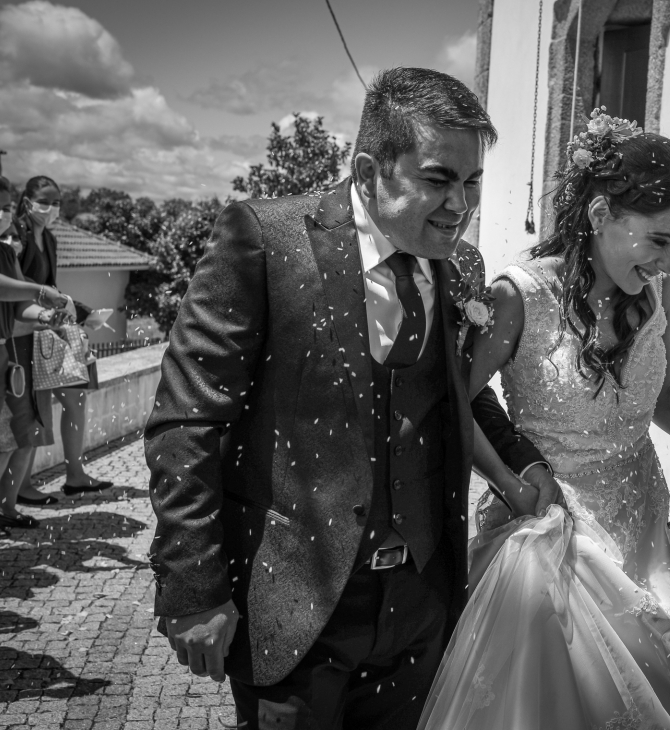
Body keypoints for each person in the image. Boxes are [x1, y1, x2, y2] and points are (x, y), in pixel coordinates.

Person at [145, 67, 560, 730]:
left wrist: (522, 463)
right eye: (438, 179)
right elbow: (187, 419)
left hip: (421, 607)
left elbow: (456, 393)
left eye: (473, 181)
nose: (460, 204)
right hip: (295, 601)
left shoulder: (460, 267)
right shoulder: (267, 240)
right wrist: (193, 586)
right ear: (369, 171)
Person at [418, 115, 670, 730]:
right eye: (660, 241)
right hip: (553, 528)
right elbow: (455, 402)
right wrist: (511, 482)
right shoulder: (518, 295)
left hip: (640, 521)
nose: (668, 262)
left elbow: (664, 398)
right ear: (602, 214)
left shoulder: (656, 292)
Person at [0, 176, 70, 557]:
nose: (2, 215)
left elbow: (17, 305)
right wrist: (38, 290)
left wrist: (45, 315)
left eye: (7, 208)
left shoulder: (6, 255)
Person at [8, 175, 109, 501]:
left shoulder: (50, 238)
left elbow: (51, 287)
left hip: (47, 331)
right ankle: (20, 488)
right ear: (27, 203)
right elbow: (17, 284)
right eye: (45, 202)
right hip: (23, 330)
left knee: (75, 398)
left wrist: (80, 312)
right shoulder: (15, 234)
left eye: (56, 203)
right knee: (34, 410)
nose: (51, 208)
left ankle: (74, 474)